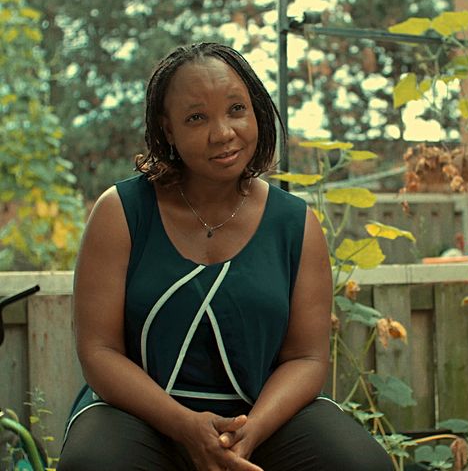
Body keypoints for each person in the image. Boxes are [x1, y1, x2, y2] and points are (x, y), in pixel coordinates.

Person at [58, 42, 394, 471]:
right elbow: (100, 351)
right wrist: (185, 425)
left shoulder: (295, 223)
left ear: (256, 112)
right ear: (167, 129)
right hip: (138, 418)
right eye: (196, 118)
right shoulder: (121, 212)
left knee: (360, 464)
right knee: (93, 464)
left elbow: (306, 359)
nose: (222, 133)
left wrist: (250, 432)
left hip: (260, 419)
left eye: (236, 109)